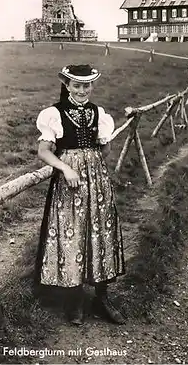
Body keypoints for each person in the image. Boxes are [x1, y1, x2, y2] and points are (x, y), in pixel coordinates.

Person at [34, 64, 126, 326]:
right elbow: (43, 151)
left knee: (100, 234)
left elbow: (104, 150)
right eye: (77, 85)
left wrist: (97, 155)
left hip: (97, 181)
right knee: (71, 233)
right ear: (67, 85)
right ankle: (74, 301)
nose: (82, 90)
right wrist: (66, 167)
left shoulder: (99, 113)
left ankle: (101, 298)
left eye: (87, 86)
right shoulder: (54, 113)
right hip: (70, 183)